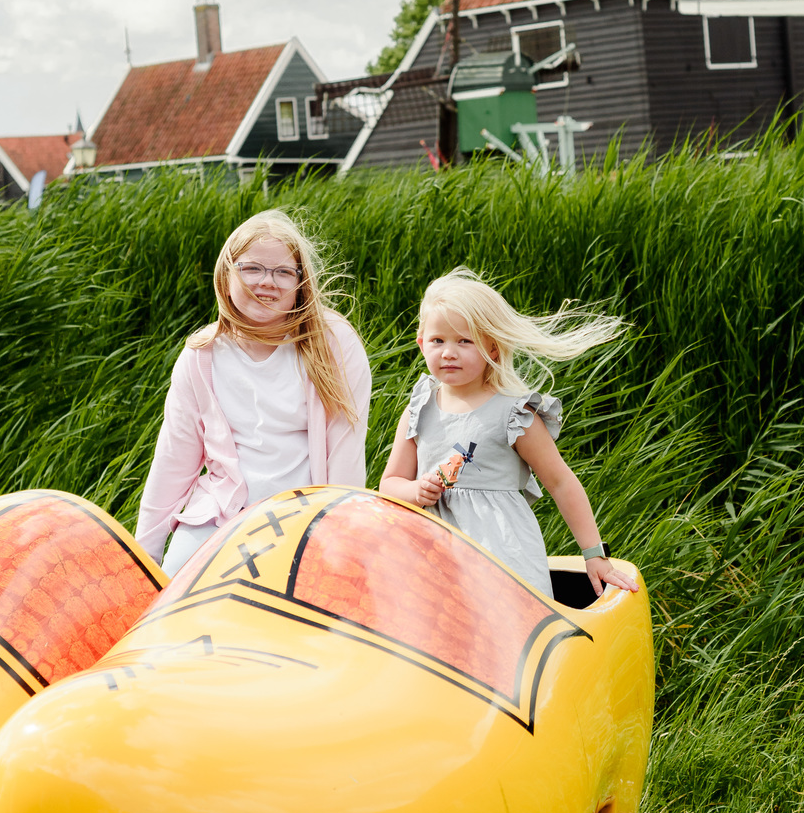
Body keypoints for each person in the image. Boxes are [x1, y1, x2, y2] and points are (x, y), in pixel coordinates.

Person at [379, 267, 640, 599]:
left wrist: (594, 554)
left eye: (464, 341)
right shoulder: (421, 406)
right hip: (433, 559)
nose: (448, 352)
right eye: (437, 340)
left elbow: (561, 482)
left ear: (492, 348)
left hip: (501, 562)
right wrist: (417, 490)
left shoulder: (512, 414)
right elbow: (389, 485)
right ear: (421, 344)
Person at [135, 210, 371, 577]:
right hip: (220, 511)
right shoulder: (202, 354)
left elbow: (346, 452)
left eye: (282, 272)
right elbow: (173, 461)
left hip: (304, 514)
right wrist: (145, 560)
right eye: (252, 269)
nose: (268, 283)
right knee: (177, 580)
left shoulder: (334, 344)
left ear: (300, 283)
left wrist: (341, 540)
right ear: (226, 275)